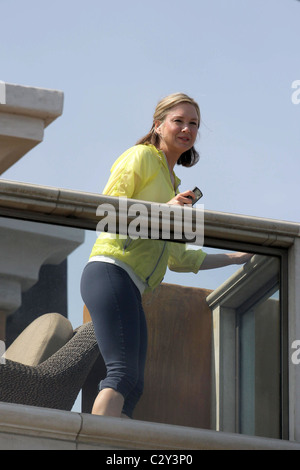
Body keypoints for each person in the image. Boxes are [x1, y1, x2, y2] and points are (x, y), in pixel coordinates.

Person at [80, 92, 251, 419]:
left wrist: (234, 257)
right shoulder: (140, 156)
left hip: (133, 285)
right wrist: (163, 211)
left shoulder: (178, 187)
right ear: (158, 125)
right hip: (110, 269)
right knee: (122, 374)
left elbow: (179, 260)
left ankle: (115, 447)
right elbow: (107, 213)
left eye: (194, 124)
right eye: (178, 121)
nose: (186, 128)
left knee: (135, 384)